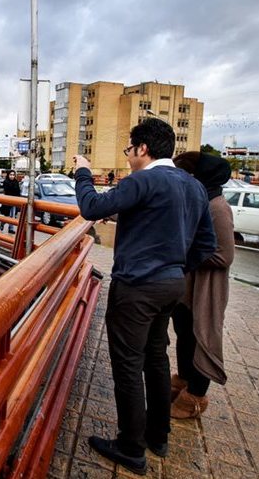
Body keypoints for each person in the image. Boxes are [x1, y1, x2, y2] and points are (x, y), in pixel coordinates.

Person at [73, 118, 216, 476]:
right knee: (155, 358)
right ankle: (158, 435)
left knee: (127, 364)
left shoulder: (144, 179)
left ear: (143, 149)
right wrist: (175, 269)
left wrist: (83, 173)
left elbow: (91, 207)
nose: (129, 157)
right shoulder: (194, 187)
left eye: (129, 150)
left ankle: (131, 446)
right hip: (171, 285)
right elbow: (206, 245)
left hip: (136, 286)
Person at [170, 152, 233, 419]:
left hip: (205, 287)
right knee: (184, 333)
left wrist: (184, 252)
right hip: (188, 284)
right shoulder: (199, 200)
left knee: (201, 337)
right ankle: (183, 380)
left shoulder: (217, 206)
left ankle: (195, 396)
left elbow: (224, 255)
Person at [0, 170, 21, 234]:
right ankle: (2, 222)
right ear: (8, 175)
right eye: (10, 175)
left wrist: (18, 200)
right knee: (7, 216)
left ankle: (11, 228)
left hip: (14, 201)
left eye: (13, 175)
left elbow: (18, 191)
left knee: (13, 215)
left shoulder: (16, 182)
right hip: (7, 201)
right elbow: (7, 192)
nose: (12, 176)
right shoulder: (6, 182)